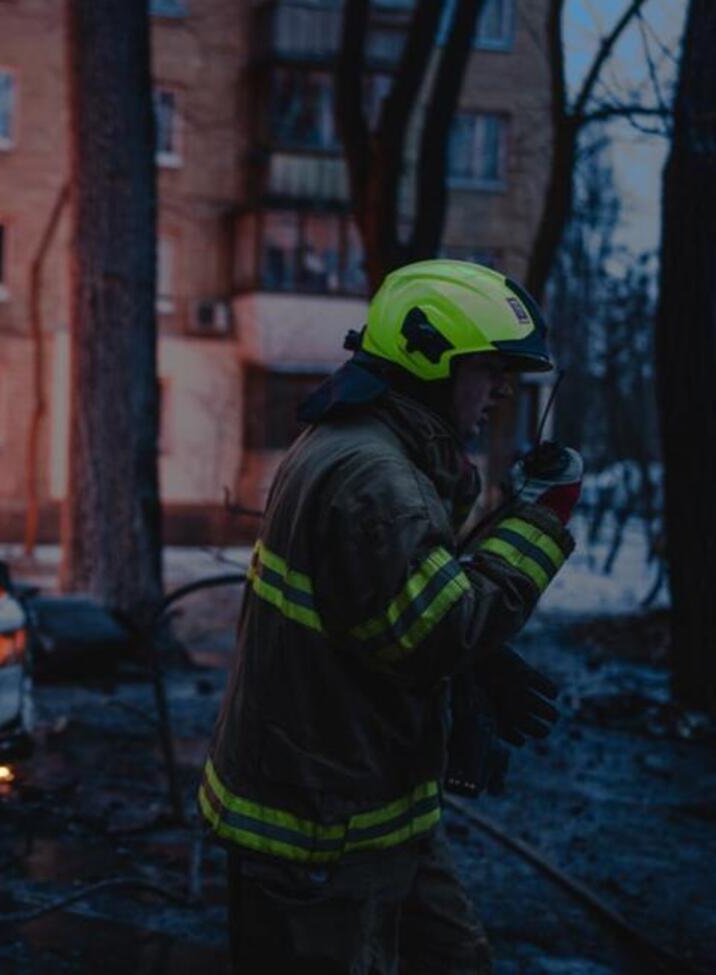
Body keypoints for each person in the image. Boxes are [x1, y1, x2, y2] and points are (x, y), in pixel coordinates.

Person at [200, 259, 581, 973]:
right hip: (318, 833)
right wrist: (541, 520)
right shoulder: (374, 474)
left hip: (372, 810)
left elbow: (391, 600)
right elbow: (436, 630)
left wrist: (479, 662)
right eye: (490, 367)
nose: (503, 387)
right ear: (431, 358)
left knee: (457, 959)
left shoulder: (375, 446)